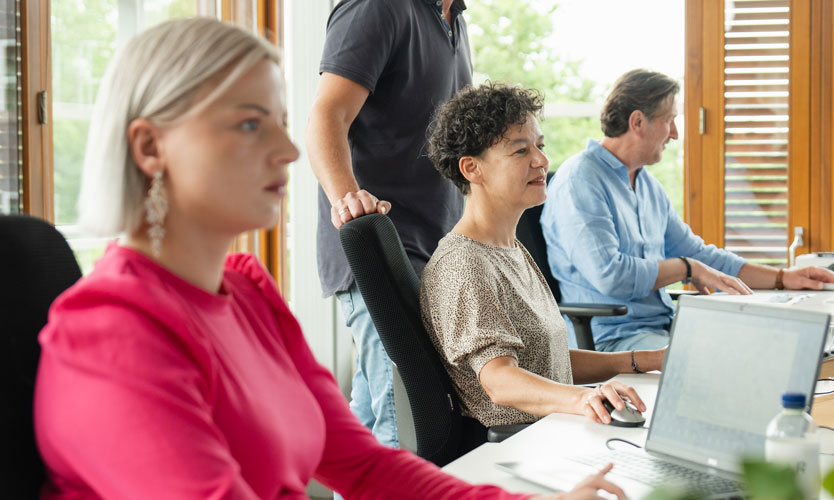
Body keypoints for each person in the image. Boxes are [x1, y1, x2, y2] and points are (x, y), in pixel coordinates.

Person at [33, 18, 623, 500]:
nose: (289, 151)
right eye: (248, 123)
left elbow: (368, 468)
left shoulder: (248, 294)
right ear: (149, 147)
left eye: (283, 123)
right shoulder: (111, 330)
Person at [541, 69, 834, 353]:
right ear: (637, 122)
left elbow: (700, 255)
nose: (674, 133)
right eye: (669, 120)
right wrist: (686, 268)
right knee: (734, 360)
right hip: (615, 342)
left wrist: (783, 277)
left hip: (664, 328)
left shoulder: (646, 185)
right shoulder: (580, 180)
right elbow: (611, 276)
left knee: (772, 342)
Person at [421, 82, 666, 430]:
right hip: (522, 446)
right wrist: (583, 398)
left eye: (540, 145)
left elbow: (546, 361)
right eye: (521, 151)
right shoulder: (463, 264)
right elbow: (499, 380)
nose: (542, 160)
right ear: (472, 169)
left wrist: (645, 360)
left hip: (553, 429)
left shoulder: (509, 249)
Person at [305, 0, 472, 449]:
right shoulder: (379, 6)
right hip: (384, 251)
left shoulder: (454, 19)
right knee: (404, 432)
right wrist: (346, 201)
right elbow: (327, 115)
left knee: (374, 425)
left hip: (432, 249)